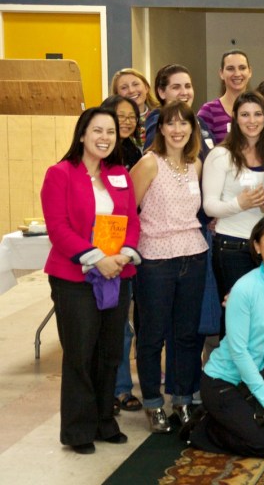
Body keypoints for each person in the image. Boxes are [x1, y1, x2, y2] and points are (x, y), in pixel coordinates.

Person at [42, 107, 141, 454]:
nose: (104, 138)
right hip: (76, 277)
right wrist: (98, 259)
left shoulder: (119, 174)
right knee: (80, 354)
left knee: (111, 352)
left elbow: (131, 221)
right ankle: (78, 430)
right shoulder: (60, 174)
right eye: (97, 131)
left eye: (111, 132)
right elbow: (58, 228)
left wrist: (125, 254)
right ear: (82, 134)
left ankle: (104, 421)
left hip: (117, 273)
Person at [183, 215, 264, 457]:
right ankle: (203, 427)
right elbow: (238, 351)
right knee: (263, 445)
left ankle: (248, 418)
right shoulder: (244, 289)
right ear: (257, 245)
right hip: (225, 380)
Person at [130, 101, 208, 433]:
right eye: (170, 124)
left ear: (193, 128)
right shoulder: (148, 164)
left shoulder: (196, 164)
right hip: (155, 259)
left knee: (187, 334)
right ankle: (152, 401)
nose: (177, 130)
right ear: (160, 128)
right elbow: (126, 211)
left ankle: (183, 398)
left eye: (184, 124)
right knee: (152, 334)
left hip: (193, 255)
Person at [202, 92, 264, 331]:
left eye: (257, 114)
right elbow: (209, 205)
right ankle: (230, 369)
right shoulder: (220, 155)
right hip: (231, 248)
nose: (251, 120)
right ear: (234, 119)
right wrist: (239, 204)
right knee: (237, 320)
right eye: (245, 115)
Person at [99, 96, 144, 413]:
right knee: (113, 325)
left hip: (131, 248)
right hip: (100, 251)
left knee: (125, 323)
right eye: (119, 117)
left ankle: (120, 387)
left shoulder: (136, 153)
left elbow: (134, 208)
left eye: (131, 117)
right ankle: (112, 389)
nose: (126, 121)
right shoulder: (96, 157)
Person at [145, 64, 214, 159]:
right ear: (162, 92)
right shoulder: (157, 119)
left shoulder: (199, 121)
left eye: (188, 86)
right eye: (176, 87)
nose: (184, 92)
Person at [197, 50, 253, 143]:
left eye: (242, 68)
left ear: (250, 72)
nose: (237, 74)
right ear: (221, 73)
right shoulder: (208, 111)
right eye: (230, 68)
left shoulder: (260, 109)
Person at [112, 68, 158, 145]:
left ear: (146, 88)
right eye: (124, 87)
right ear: (117, 94)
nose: (131, 90)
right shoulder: (110, 121)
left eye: (135, 84)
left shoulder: (162, 116)